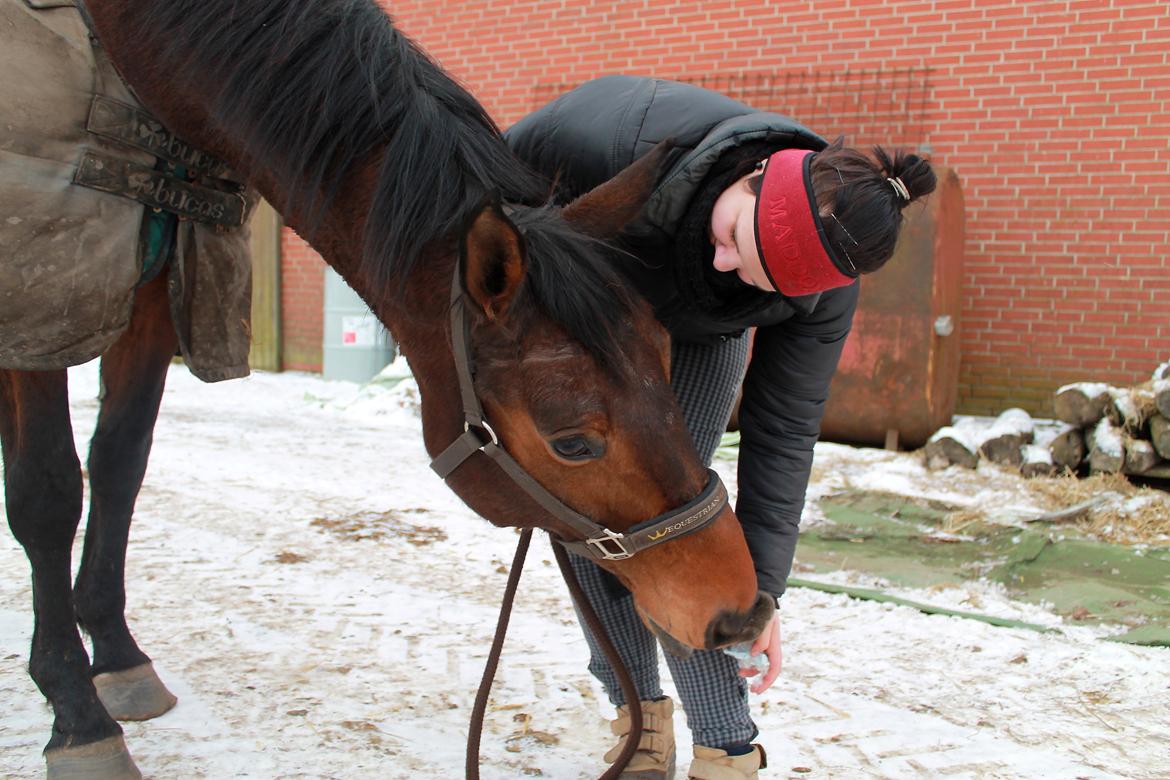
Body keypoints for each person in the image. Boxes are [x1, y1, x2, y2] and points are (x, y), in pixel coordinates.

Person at [506, 75, 935, 779]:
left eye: (757, 277)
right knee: (588, 514)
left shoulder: (823, 293)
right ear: (755, 174)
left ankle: (728, 750)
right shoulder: (602, 137)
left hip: (705, 332)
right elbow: (461, 205)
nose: (726, 261)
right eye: (735, 234)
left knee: (668, 520)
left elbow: (783, 433)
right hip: (592, 317)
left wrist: (761, 594)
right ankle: (639, 718)